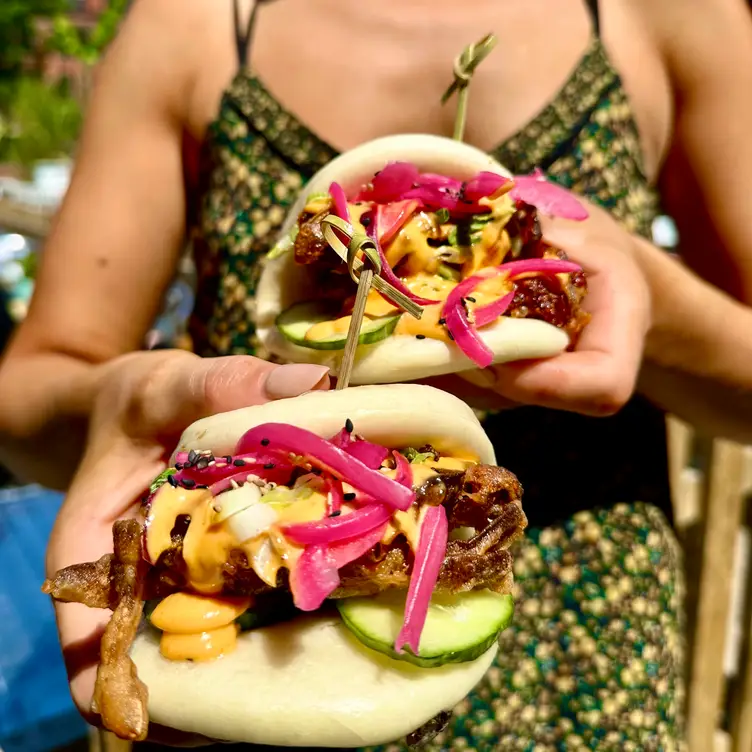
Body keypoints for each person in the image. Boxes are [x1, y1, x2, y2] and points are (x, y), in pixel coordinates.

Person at [1, 0, 752, 749]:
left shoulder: (673, 15)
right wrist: (116, 403)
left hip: (589, 647)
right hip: (261, 628)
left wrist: (658, 305)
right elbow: (27, 396)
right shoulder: (187, 24)